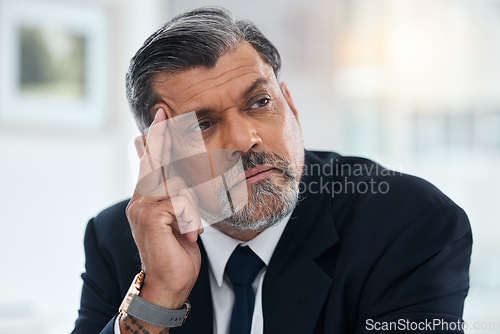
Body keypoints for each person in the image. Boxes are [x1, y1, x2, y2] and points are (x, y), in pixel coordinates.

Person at [72, 7, 472, 334]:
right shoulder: (118, 240)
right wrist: (158, 296)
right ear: (157, 157)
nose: (245, 139)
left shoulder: (409, 223)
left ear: (291, 107)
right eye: (203, 125)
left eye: (259, 102)